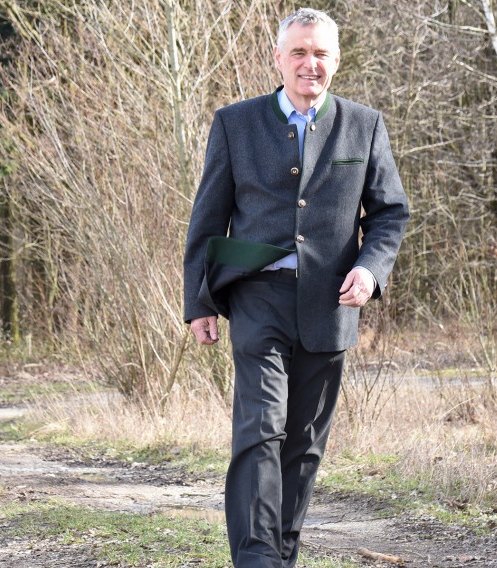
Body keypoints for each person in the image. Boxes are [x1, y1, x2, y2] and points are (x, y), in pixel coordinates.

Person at [181, 7, 409, 567]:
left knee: (303, 445)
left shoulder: (365, 125)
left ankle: (281, 555)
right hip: (257, 295)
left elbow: (390, 214)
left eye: (321, 53)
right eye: (300, 52)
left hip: (330, 304)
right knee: (260, 429)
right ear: (279, 59)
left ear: (336, 60)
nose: (311, 63)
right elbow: (208, 219)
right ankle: (256, 559)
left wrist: (370, 270)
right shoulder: (235, 123)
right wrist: (199, 300)